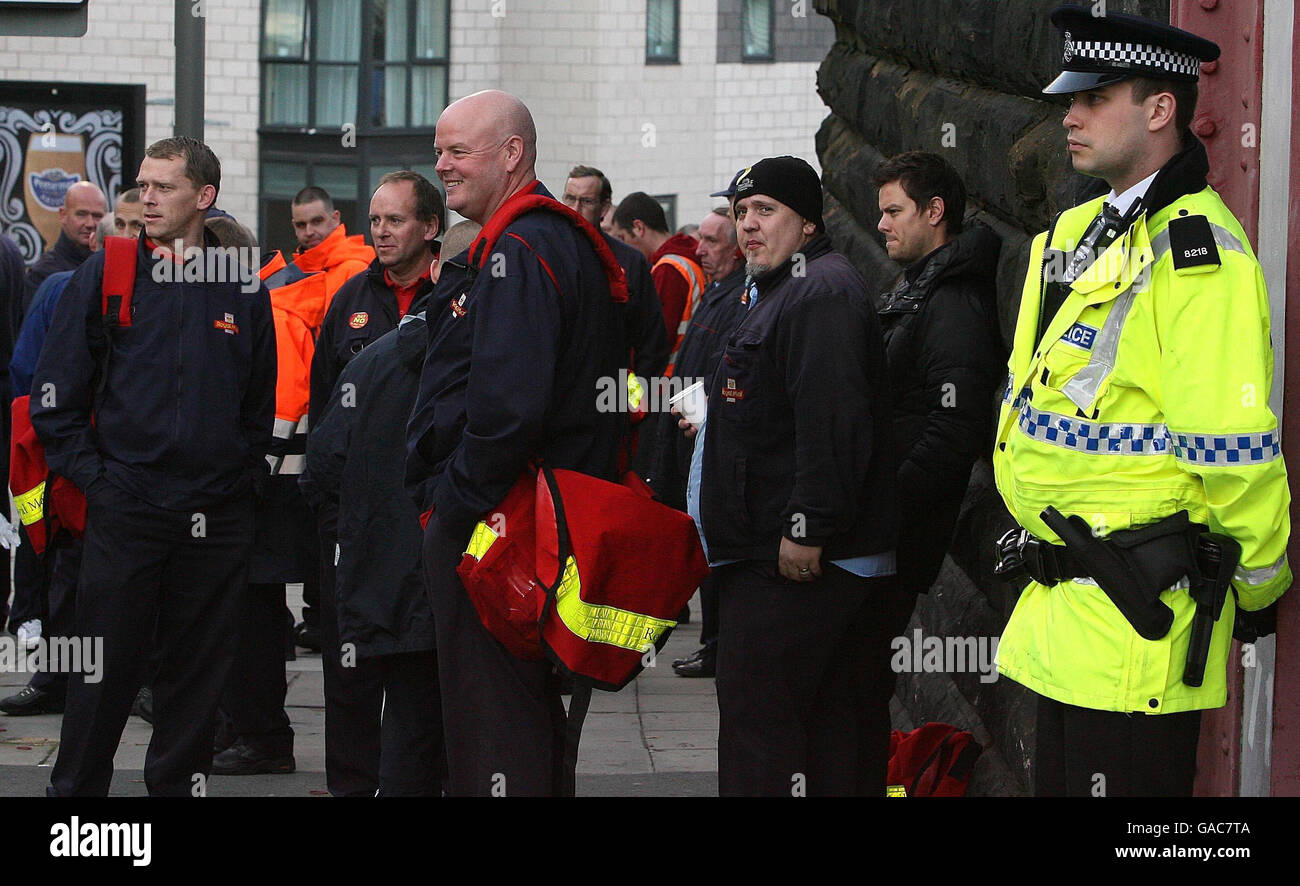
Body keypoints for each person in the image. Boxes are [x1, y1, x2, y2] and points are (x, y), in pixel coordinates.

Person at [992, 6, 1290, 797]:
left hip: (1138, 622)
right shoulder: (1073, 231)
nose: (1071, 115)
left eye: (1094, 99)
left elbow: (1231, 441)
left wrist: (1259, 579)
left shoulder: (1199, 254)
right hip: (1063, 614)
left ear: (1160, 110)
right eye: (1069, 100)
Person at [32, 136, 276, 796]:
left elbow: (258, 402)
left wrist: (241, 481)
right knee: (103, 672)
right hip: (128, 505)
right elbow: (55, 393)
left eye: (164, 186)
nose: (147, 198)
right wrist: (98, 480)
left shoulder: (240, 285)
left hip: (215, 513)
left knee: (197, 676)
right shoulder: (108, 270)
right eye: (142, 185)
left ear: (205, 196)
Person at [407, 89, 627, 796]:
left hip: (502, 525)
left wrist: (452, 508)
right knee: (517, 713)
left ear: (512, 154)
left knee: (493, 718)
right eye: (439, 149)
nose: (441, 164)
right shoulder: (543, 239)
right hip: (531, 513)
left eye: (456, 150)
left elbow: (507, 409)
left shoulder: (523, 246)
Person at [687, 156, 904, 796]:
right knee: (823, 728)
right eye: (740, 211)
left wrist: (806, 528)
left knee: (766, 729)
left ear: (808, 222)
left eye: (765, 211)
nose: (747, 225)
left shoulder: (818, 293)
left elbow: (833, 421)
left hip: (796, 561)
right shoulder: (789, 287)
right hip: (778, 554)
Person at [300, 219, 479, 797]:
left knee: (402, 717)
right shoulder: (488, 359)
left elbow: (322, 465)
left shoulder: (373, 362)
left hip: (384, 578)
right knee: (445, 724)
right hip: (459, 577)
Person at [308, 169, 442, 796]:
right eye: (376, 219)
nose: (381, 232)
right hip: (360, 520)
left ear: (429, 228)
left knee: (420, 670)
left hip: (429, 515)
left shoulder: (457, 295)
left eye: (395, 220)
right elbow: (323, 410)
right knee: (353, 667)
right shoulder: (352, 301)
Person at [0, 214, 114, 717]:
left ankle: (128, 683)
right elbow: (29, 373)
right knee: (61, 575)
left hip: (130, 468)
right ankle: (54, 678)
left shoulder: (166, 298)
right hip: (68, 466)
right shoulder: (60, 290)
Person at [874, 152, 1003, 597]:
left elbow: (953, 428)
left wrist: (887, 506)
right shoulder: (919, 284)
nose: (881, 225)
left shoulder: (952, 301)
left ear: (934, 211)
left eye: (893, 212)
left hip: (895, 537)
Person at [656, 203, 748, 679]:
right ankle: (713, 642)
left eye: (713, 242)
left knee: (710, 544)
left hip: (705, 433)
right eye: (701, 240)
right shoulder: (716, 292)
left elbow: (723, 367)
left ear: (736, 250)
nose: (700, 249)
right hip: (688, 428)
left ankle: (716, 645)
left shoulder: (736, 297)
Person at [609, 191, 704, 359]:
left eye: (622, 238)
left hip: (671, 376)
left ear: (638, 228)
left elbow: (656, 338)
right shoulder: (686, 258)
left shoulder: (668, 269)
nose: (623, 247)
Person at [22, 180, 106, 321]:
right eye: (81, 214)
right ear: (63, 215)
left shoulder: (111, 267)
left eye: (97, 216)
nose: (90, 223)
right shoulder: (43, 274)